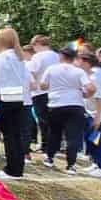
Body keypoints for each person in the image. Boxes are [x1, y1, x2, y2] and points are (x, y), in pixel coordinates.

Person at [40, 44, 94, 172]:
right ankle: (71, 164)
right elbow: (91, 87)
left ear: (61, 56)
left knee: (54, 132)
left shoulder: (52, 69)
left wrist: (51, 87)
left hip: (56, 104)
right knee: (73, 135)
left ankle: (50, 157)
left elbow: (43, 85)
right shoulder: (79, 71)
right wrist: (86, 95)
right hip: (75, 104)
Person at [0, 27, 30, 179]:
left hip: (5, 97)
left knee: (9, 135)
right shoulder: (20, 58)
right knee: (16, 134)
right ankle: (17, 168)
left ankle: (11, 169)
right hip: (19, 97)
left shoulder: (1, 59)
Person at [27, 35, 61, 165]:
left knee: (43, 121)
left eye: (34, 46)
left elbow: (32, 71)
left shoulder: (38, 56)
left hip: (40, 91)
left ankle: (46, 144)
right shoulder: (56, 56)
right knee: (53, 121)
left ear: (38, 43)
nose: (33, 49)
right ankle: (53, 145)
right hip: (54, 91)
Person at [79, 50, 101, 177]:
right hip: (91, 113)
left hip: (99, 114)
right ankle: (95, 164)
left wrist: (98, 118)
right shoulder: (87, 77)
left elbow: (100, 99)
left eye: (79, 60)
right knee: (90, 139)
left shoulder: (94, 78)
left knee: (96, 140)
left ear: (86, 63)